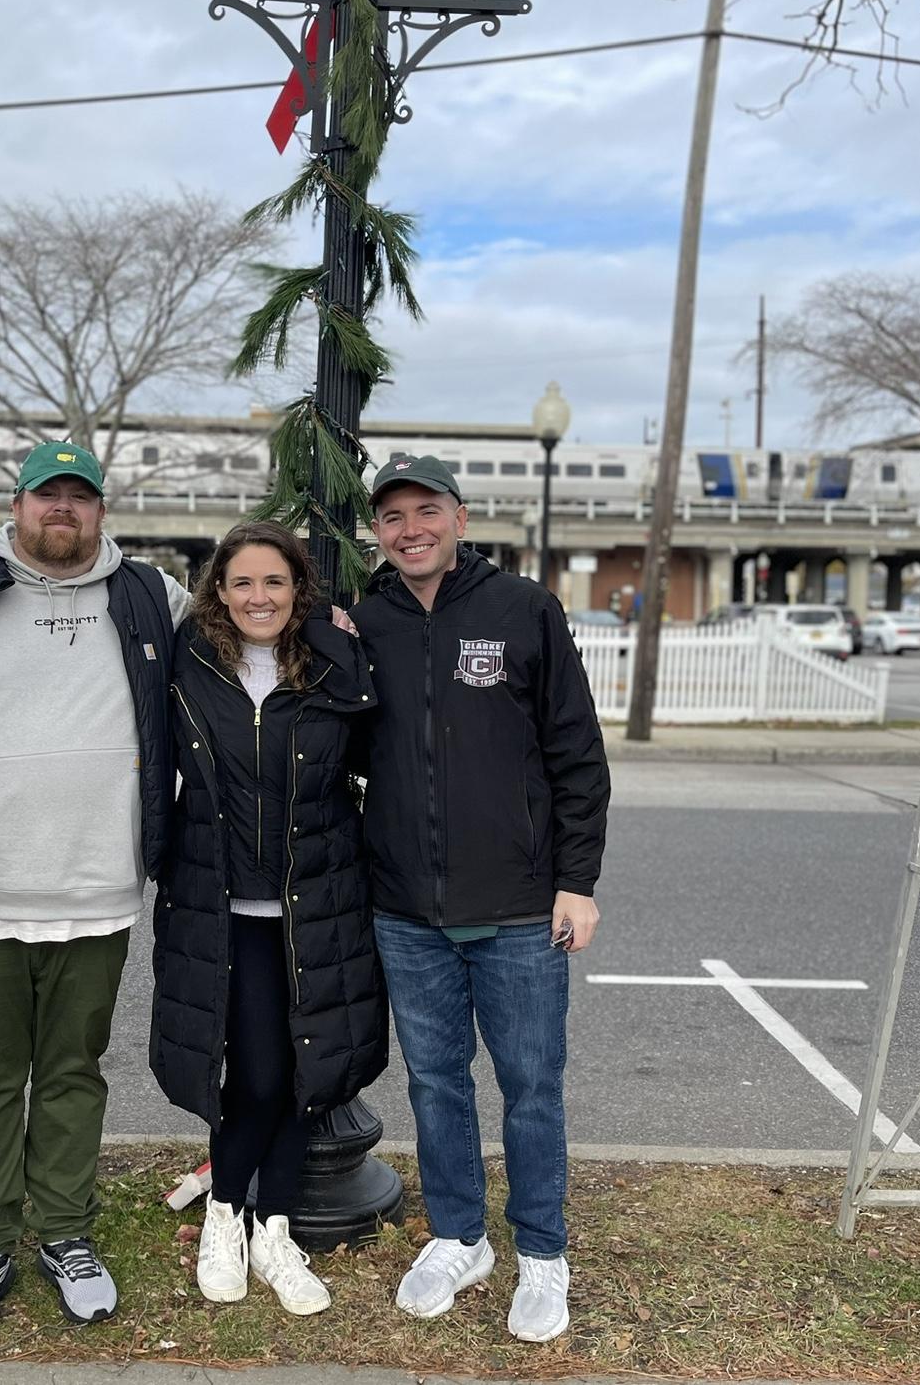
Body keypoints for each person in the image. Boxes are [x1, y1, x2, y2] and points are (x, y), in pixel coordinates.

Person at [0, 440, 188, 1345]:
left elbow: (251, 622)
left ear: (102, 510)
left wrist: (335, 622)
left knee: (72, 1075)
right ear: (18, 505)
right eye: (46, 496)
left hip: (99, 892)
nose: (61, 511)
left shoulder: (151, 597)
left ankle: (64, 1232)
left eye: (79, 496)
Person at [350, 453, 610, 1341]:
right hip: (406, 911)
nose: (410, 529)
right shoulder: (365, 622)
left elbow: (577, 756)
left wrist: (577, 882)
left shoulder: (522, 609)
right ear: (376, 531)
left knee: (532, 1085)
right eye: (392, 517)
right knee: (434, 1082)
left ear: (460, 518)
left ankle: (542, 1250)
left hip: (520, 909)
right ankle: (460, 1236)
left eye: (427, 511)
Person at [150, 522, 386, 1317]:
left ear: (299, 590)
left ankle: (272, 1228)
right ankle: (224, 1218)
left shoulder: (331, 664)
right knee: (256, 1072)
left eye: (275, 583)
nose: (260, 597)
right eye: (243, 582)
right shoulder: (188, 663)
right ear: (219, 589)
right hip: (226, 908)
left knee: (303, 1071)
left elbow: (375, 756)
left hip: (317, 902)